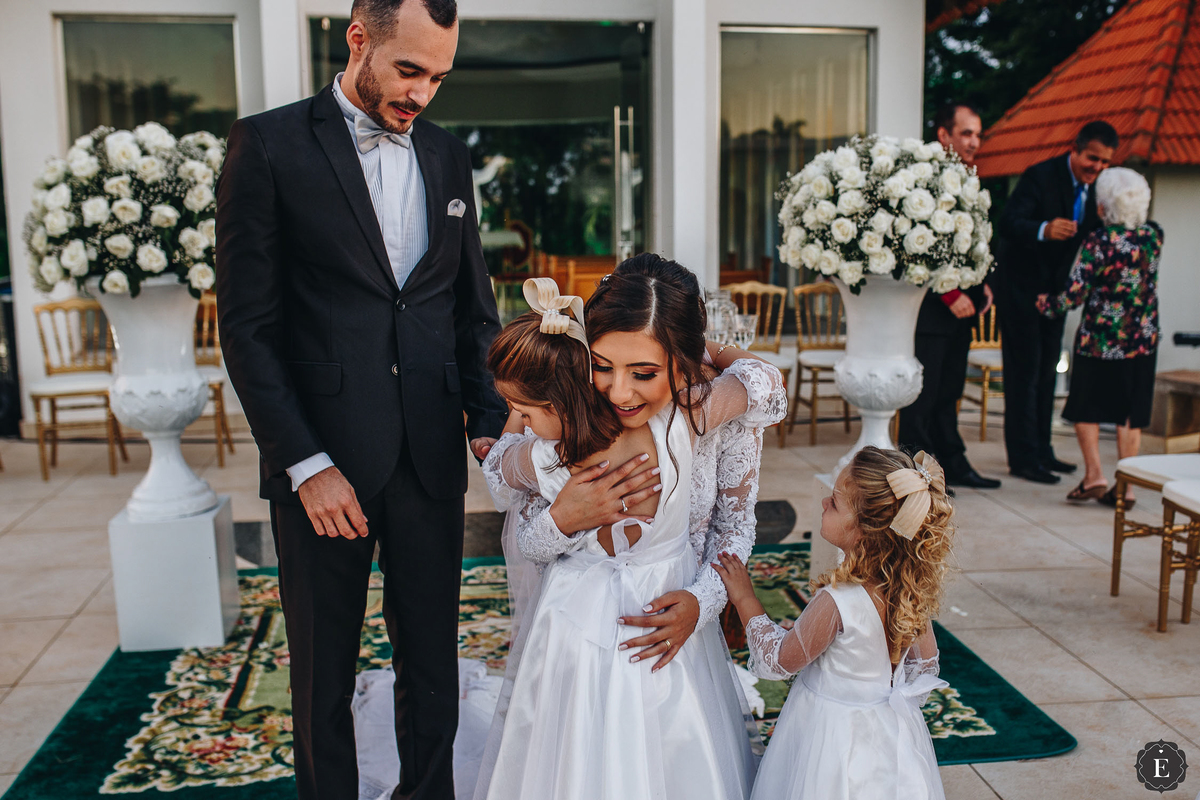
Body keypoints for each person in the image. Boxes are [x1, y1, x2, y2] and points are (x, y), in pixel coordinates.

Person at [213, 1, 508, 797]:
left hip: (430, 454)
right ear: (358, 40)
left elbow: (469, 307)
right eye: (409, 70)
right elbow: (246, 328)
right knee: (322, 669)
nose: (422, 95)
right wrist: (306, 464)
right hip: (323, 462)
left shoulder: (448, 157)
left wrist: (489, 424)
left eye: (438, 77)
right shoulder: (267, 145)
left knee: (432, 659)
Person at [476, 269, 782, 800]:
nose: (620, 391)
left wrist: (700, 601)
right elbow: (516, 509)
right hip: (577, 618)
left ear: (682, 365)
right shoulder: (565, 413)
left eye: (644, 371)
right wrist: (564, 519)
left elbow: (735, 525)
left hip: (673, 612)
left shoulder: (712, 413)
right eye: (603, 365)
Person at [713, 447, 953, 800]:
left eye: (836, 503)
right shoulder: (908, 588)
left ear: (864, 530)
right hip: (890, 736)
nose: (825, 502)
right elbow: (925, 667)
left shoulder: (839, 601)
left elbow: (780, 661)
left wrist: (745, 598)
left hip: (831, 736)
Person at [996, 121, 1117, 484]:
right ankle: (1023, 458)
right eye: (1092, 158)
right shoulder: (1040, 176)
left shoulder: (1098, 190)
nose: (1096, 167)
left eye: (1104, 162)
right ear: (1076, 149)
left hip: (1057, 294)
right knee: (1024, 374)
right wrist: (1043, 228)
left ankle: (1043, 450)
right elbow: (1007, 223)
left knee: (1049, 371)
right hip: (1020, 289)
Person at [1036, 167, 1162, 508]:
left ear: (1103, 207)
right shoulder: (1153, 238)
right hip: (1142, 340)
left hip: (1099, 342)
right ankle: (1128, 487)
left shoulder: (1098, 242)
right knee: (1128, 415)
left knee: (1086, 408)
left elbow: (1074, 295)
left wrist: (1046, 303)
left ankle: (1094, 475)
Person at [899, 103, 1000, 490]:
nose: (974, 142)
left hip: (964, 309)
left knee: (950, 393)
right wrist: (950, 292)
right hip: (932, 309)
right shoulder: (925, 180)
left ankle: (951, 465)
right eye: (966, 134)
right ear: (944, 135)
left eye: (978, 134)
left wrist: (983, 281)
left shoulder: (969, 180)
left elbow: (973, 241)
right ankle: (917, 475)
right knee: (923, 399)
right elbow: (914, 244)